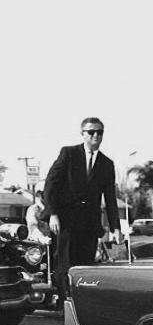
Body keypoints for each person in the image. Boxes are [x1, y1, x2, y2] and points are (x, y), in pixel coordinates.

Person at [42, 117, 121, 301]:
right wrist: (53, 213)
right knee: (65, 266)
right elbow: (50, 185)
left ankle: (81, 307)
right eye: (91, 132)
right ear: (82, 134)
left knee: (85, 267)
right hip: (66, 222)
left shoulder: (107, 163)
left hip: (89, 225)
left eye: (99, 132)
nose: (96, 136)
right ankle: (65, 306)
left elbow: (110, 198)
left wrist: (116, 228)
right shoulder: (68, 154)